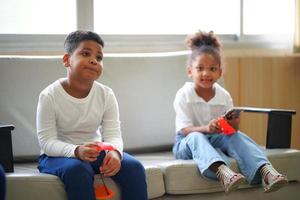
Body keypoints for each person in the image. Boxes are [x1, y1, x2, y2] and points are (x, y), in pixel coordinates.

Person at [36, 30, 148, 200]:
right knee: (78, 169)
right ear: (67, 60)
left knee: (134, 167)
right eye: (85, 53)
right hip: (56, 156)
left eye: (99, 57)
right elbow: (46, 142)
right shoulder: (49, 96)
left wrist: (115, 152)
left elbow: (113, 134)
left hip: (95, 152)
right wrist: (76, 151)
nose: (93, 60)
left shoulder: (106, 94)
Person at [172, 31, 288, 193]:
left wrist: (233, 126)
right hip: (187, 142)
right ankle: (224, 173)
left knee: (237, 136)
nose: (206, 73)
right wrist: (206, 128)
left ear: (220, 72)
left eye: (212, 69)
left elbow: (229, 131)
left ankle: (267, 172)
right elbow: (184, 130)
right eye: (200, 68)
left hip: (216, 138)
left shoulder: (223, 95)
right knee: (196, 136)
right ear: (190, 71)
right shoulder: (184, 94)